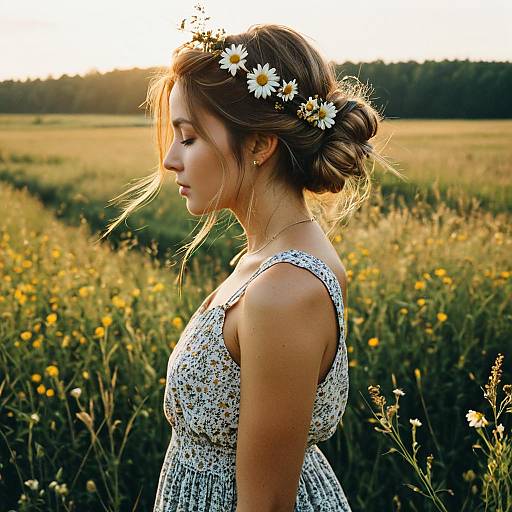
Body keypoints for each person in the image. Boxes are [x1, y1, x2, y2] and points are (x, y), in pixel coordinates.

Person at [102, 15, 403, 512]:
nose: (170, 159)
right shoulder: (270, 259)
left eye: (189, 137)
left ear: (261, 144)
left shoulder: (285, 290)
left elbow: (265, 505)